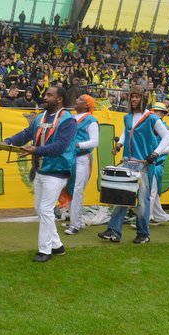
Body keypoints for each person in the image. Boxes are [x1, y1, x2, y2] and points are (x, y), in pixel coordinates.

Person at [4, 86, 76, 262]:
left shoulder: (68, 120)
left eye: (49, 95)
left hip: (57, 170)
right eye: (45, 95)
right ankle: (57, 245)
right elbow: (26, 134)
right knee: (41, 209)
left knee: (45, 209)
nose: (45, 97)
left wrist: (36, 149)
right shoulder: (41, 117)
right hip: (41, 169)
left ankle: (45, 250)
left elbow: (60, 146)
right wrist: (9, 141)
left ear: (59, 99)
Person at [98, 85, 169, 244]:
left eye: (137, 96)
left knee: (143, 201)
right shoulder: (127, 117)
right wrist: (119, 144)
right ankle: (113, 231)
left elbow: (167, 137)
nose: (134, 99)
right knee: (122, 197)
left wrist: (155, 153)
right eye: (132, 96)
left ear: (143, 98)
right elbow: (127, 132)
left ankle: (143, 233)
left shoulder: (152, 118)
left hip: (145, 164)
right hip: (128, 163)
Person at [63, 94, 99, 235]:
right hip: (71, 158)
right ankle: (76, 219)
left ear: (86, 105)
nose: (76, 100)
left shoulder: (91, 120)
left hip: (83, 158)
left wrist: (77, 145)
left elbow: (95, 141)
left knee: (77, 190)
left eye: (80, 100)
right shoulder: (71, 118)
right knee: (71, 189)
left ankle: (75, 224)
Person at [149, 102, 169, 224]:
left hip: (156, 165)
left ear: (163, 114)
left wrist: (156, 152)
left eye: (157, 111)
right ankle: (159, 216)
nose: (153, 113)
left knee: (150, 192)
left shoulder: (165, 128)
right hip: (147, 164)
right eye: (153, 110)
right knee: (151, 191)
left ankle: (145, 218)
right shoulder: (148, 127)